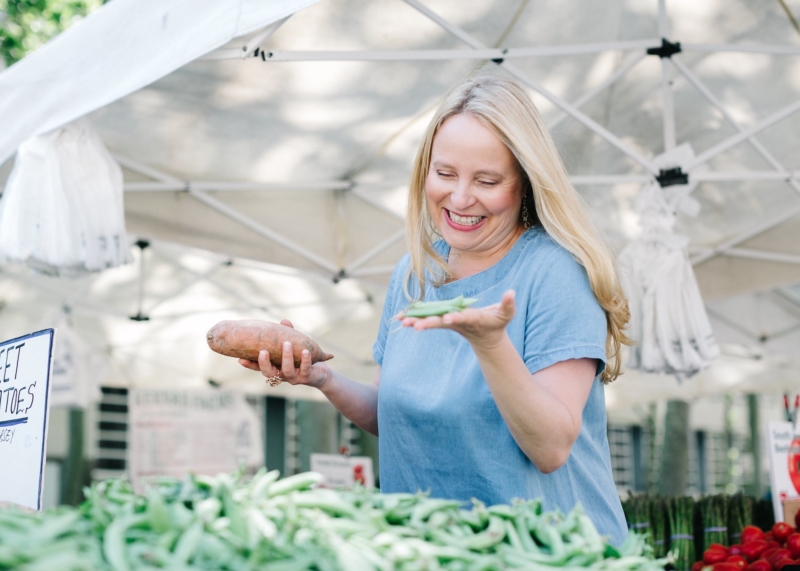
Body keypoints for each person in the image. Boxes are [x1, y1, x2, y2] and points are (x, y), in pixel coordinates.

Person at [239, 72, 631, 545]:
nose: (460, 198)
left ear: (525, 183)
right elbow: (396, 416)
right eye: (445, 174)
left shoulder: (556, 272)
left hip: (551, 553)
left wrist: (490, 344)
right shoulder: (416, 272)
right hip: (435, 552)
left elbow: (550, 447)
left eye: (487, 180)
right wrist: (322, 378)